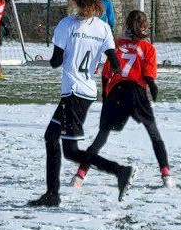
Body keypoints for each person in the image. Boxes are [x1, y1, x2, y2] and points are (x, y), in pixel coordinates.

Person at [28, 0, 135, 208]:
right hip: (86, 92)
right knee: (51, 137)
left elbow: (56, 63)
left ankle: (120, 171)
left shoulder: (66, 25)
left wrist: (63, 54)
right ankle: (52, 194)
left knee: (71, 151)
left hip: (74, 92)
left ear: (75, 1)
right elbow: (115, 64)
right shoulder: (102, 28)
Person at [72, 10, 172, 189]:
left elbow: (106, 74)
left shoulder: (116, 44)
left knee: (101, 137)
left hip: (116, 92)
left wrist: (105, 96)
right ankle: (166, 175)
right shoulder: (148, 48)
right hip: (136, 93)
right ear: (144, 26)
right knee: (154, 134)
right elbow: (149, 77)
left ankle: (79, 176)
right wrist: (152, 87)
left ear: (126, 25)